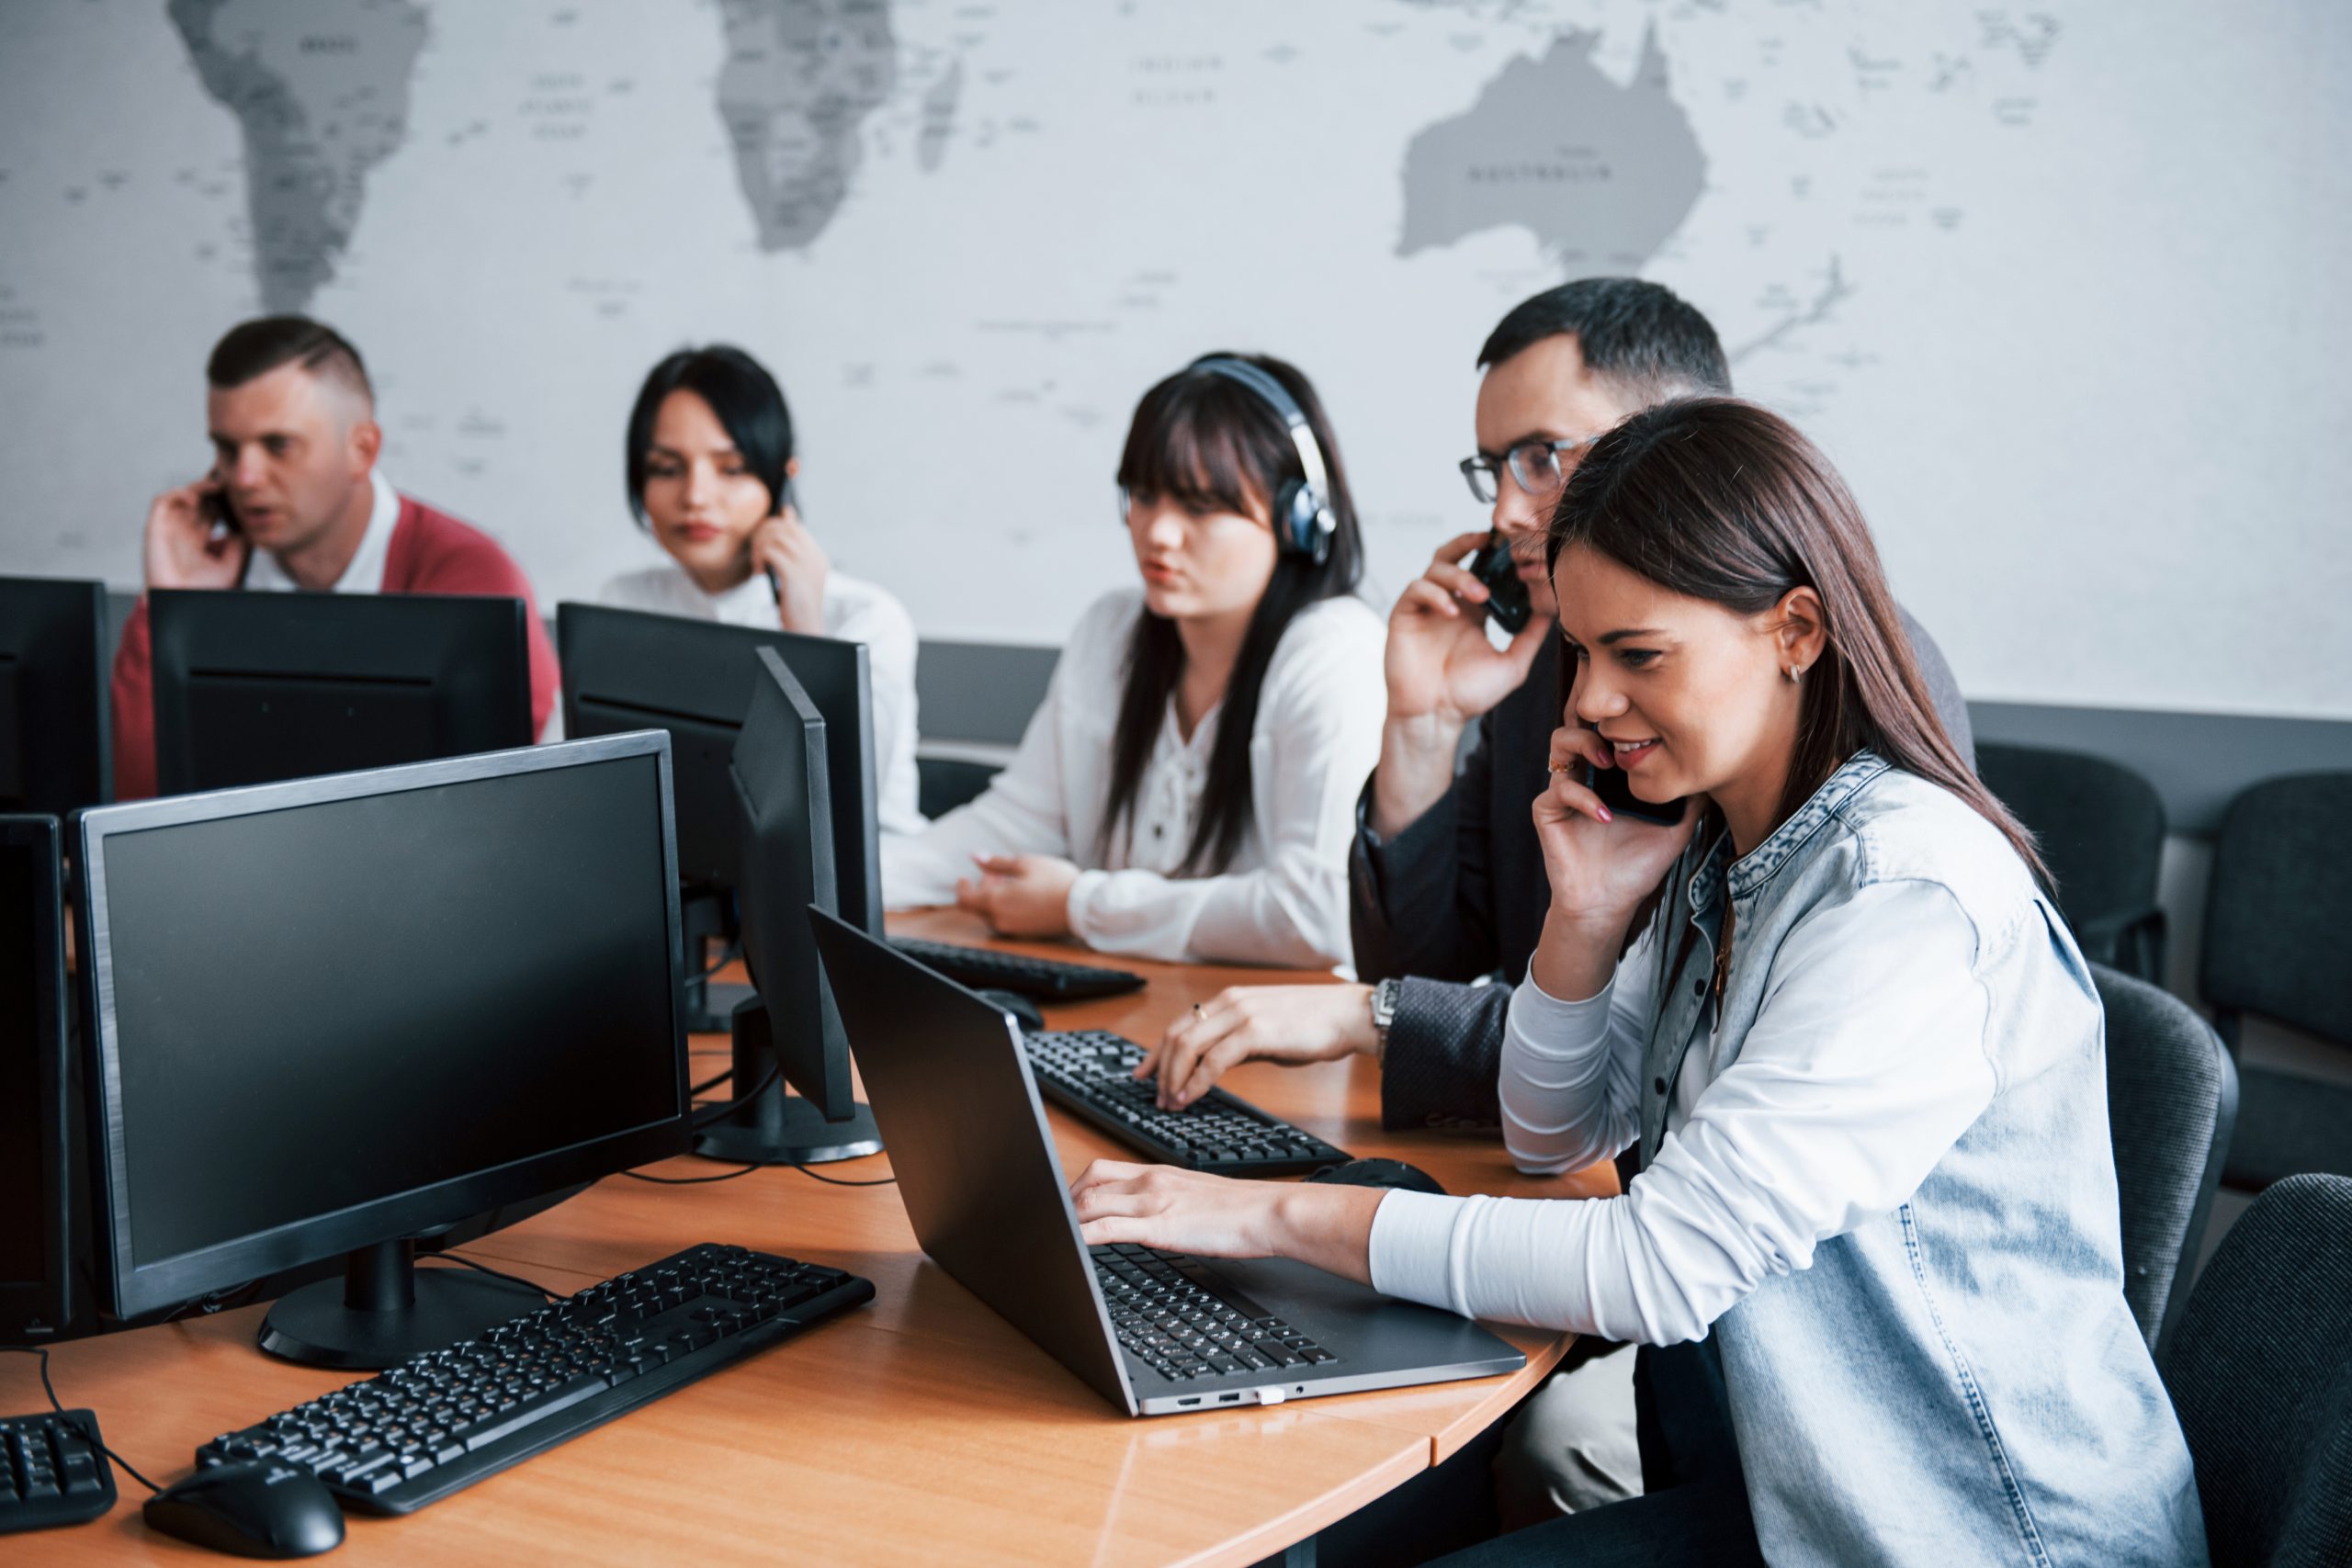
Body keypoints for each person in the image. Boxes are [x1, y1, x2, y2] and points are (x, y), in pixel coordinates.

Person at [1072, 398, 2206, 1566]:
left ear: (1797, 632)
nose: (1587, 706)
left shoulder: (1901, 895)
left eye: (1638, 656)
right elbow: (1550, 1135)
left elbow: (1657, 1269)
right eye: (1581, 653)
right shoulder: (1726, 848)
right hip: (1813, 1499)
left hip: (1974, 1529)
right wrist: (1586, 914)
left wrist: (1271, 1214)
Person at [881, 353, 1385, 968]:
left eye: (1199, 505)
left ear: (1297, 518)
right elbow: (1010, 828)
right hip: (1140, 1022)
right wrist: (834, 880)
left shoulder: (1334, 653)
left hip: (1292, 1050)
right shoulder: (1112, 632)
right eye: (1143, 496)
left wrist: (1079, 905)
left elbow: (1317, 914)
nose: (1158, 533)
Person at [111, 317, 561, 800]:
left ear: (361, 450)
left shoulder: (470, 576)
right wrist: (169, 608)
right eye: (227, 448)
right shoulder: (210, 576)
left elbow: (525, 801)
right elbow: (137, 804)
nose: (243, 478)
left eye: (278, 445)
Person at [598, 345, 922, 840]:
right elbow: (566, 773)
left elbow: (838, 814)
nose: (695, 497)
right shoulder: (624, 602)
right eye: (667, 468)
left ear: (781, 481)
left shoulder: (866, 619)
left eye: (731, 468)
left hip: (875, 900)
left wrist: (805, 630)